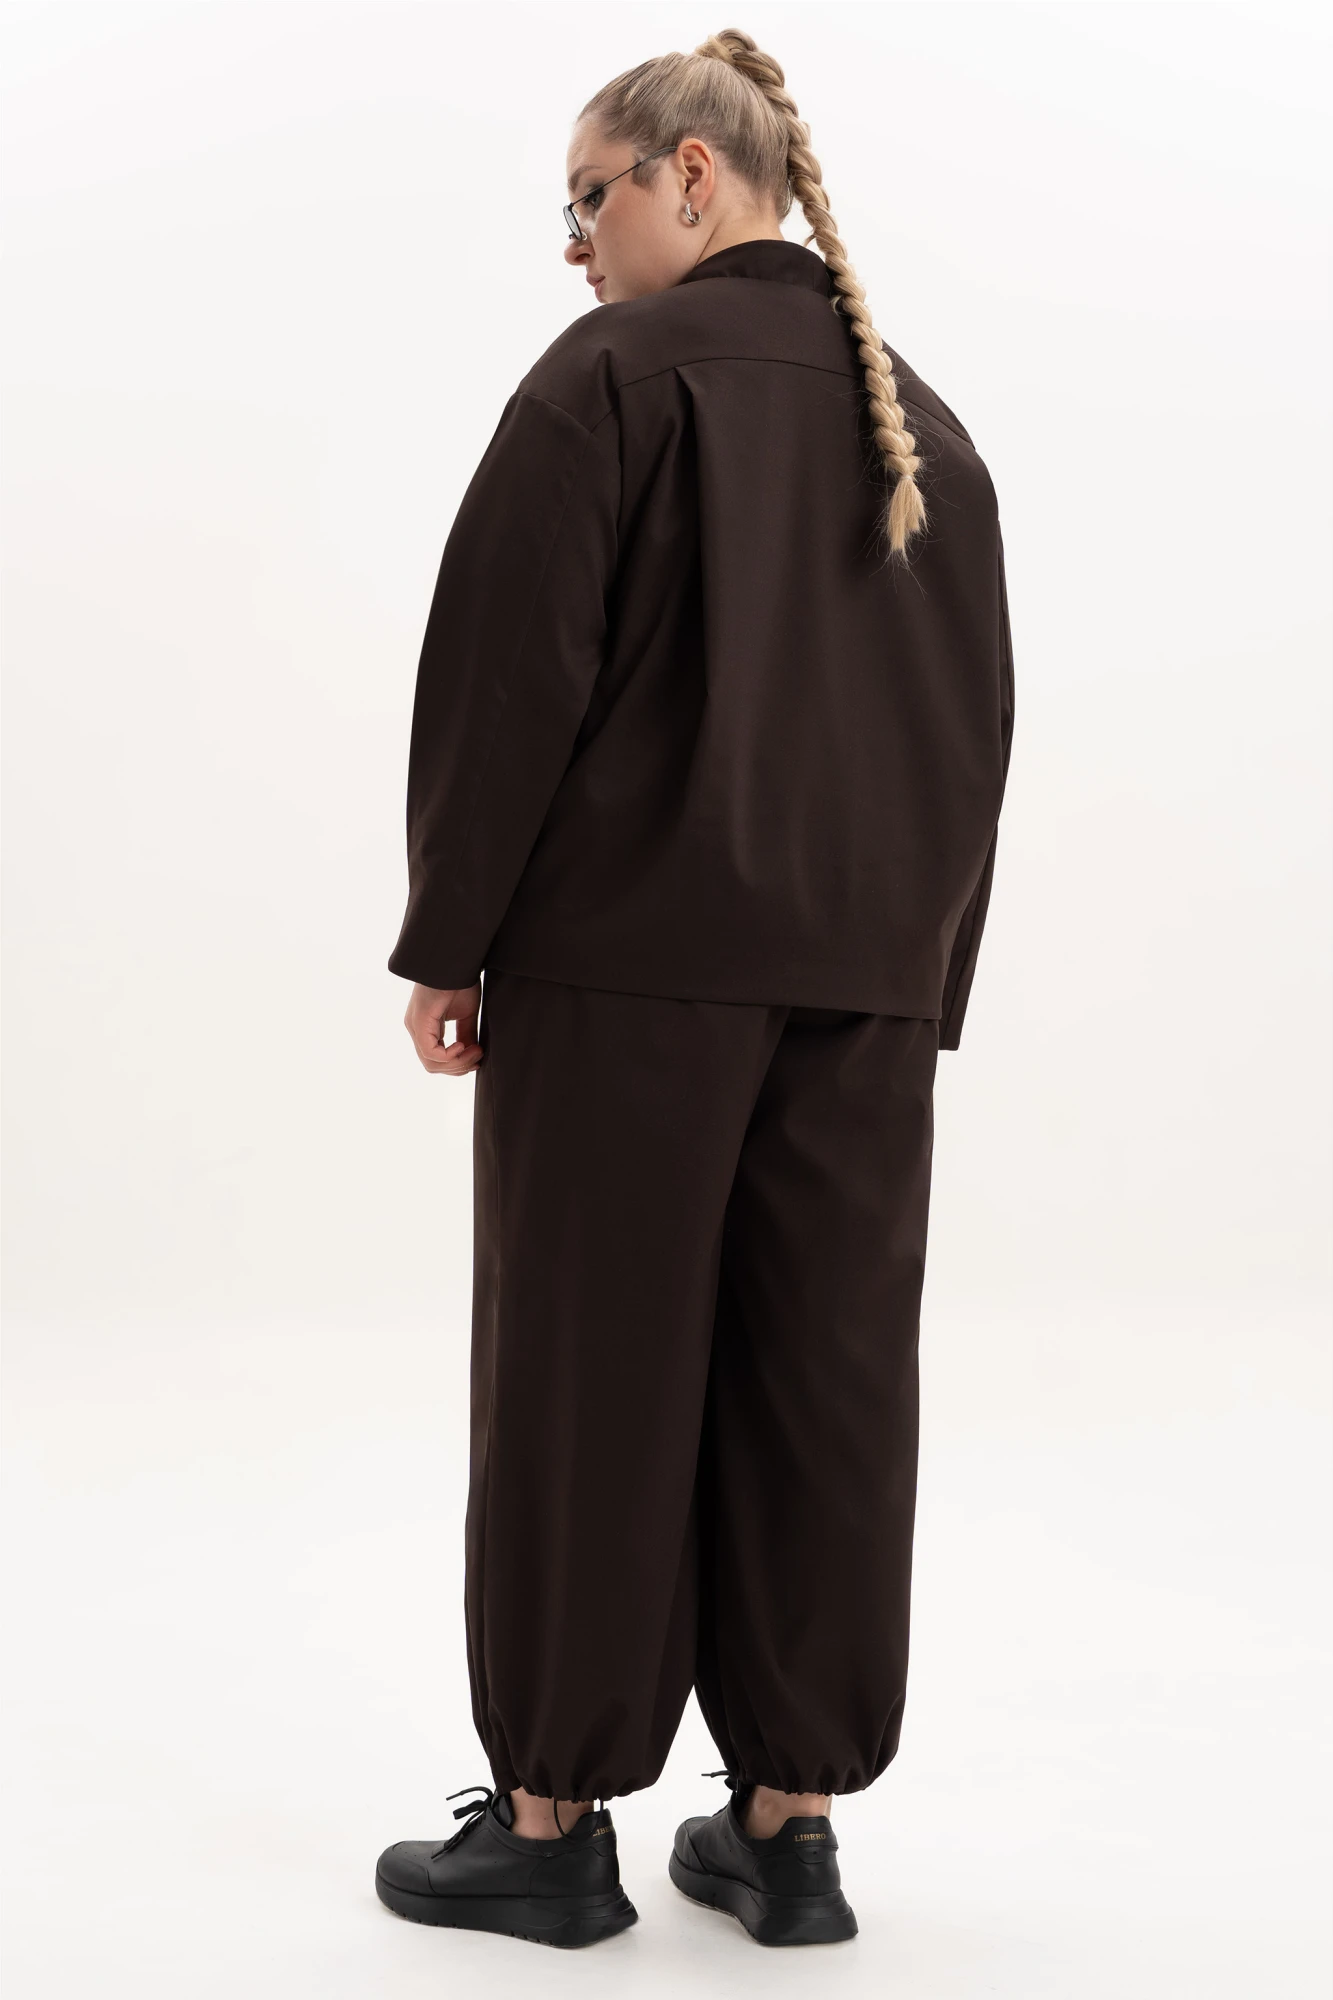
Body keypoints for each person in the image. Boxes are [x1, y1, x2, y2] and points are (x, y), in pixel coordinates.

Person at [374, 25, 1015, 1952]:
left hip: (629, 976)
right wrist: (926, 981)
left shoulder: (609, 385)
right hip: (862, 994)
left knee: (594, 1379)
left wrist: (448, 936)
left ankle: (554, 1825)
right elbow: (972, 733)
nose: (573, 244)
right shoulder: (921, 421)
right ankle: (788, 1830)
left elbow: (509, 679)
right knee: (825, 1388)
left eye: (589, 197)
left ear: (693, 176)